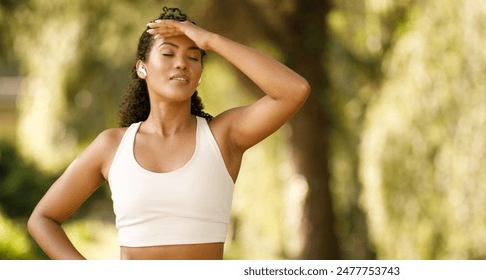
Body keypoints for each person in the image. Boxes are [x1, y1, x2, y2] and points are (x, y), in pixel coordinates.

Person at [27, 7, 309, 260]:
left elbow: (293, 91)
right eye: (168, 53)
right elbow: (43, 219)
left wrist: (209, 39)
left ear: (200, 73)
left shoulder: (223, 137)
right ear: (142, 68)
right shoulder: (111, 146)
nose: (181, 63)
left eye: (194, 57)